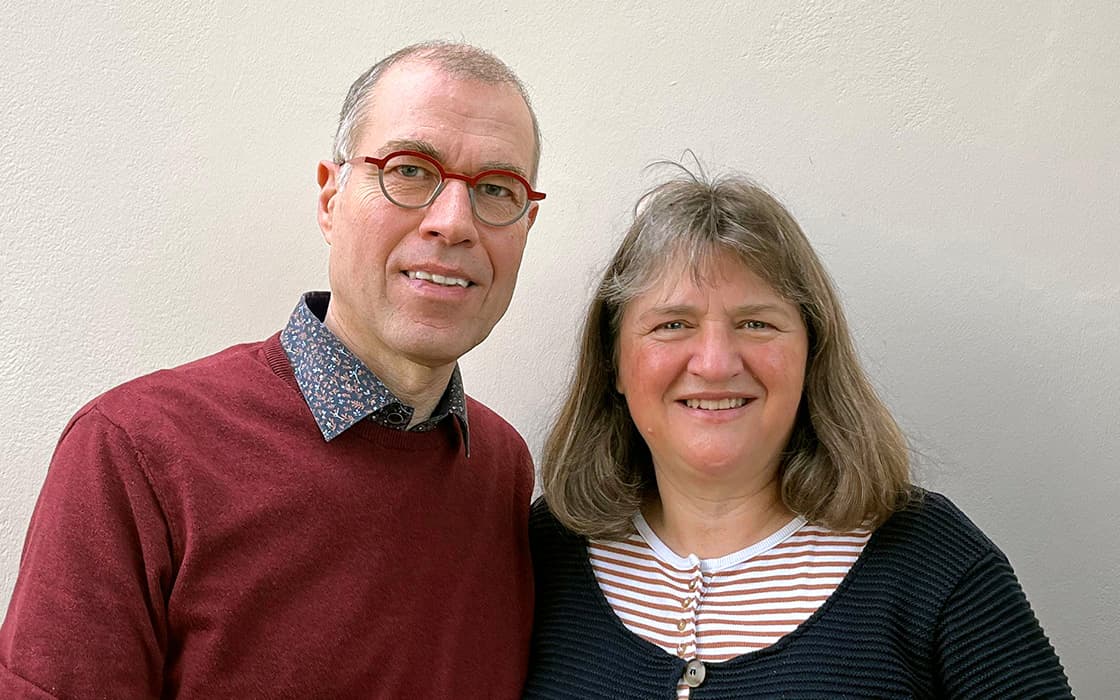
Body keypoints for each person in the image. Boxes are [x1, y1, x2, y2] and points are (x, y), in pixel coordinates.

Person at [0, 41, 544, 698]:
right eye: (409, 170)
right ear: (330, 200)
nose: (454, 222)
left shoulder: (499, 470)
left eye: (495, 188)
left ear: (526, 225)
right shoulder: (136, 452)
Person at [522, 166, 1072, 698]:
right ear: (613, 362)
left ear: (812, 353)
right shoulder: (542, 553)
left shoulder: (932, 562)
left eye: (756, 323)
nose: (715, 364)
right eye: (672, 324)